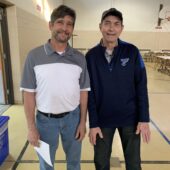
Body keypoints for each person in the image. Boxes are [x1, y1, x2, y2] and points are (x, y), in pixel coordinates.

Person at [20, 5, 90, 170]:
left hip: (72, 119)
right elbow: (28, 95)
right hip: (45, 122)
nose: (65, 28)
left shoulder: (79, 58)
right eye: (60, 22)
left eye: (69, 24)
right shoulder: (34, 56)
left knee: (74, 164)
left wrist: (82, 122)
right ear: (50, 25)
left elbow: (84, 92)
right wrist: (31, 128)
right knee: (46, 165)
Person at [86, 8, 151, 170]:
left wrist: (144, 118)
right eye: (107, 24)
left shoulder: (132, 51)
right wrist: (93, 123)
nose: (111, 28)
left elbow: (141, 86)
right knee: (101, 163)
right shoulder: (91, 56)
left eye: (116, 24)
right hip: (102, 121)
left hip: (130, 119)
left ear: (122, 28)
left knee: (134, 164)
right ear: (100, 26)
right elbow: (90, 93)